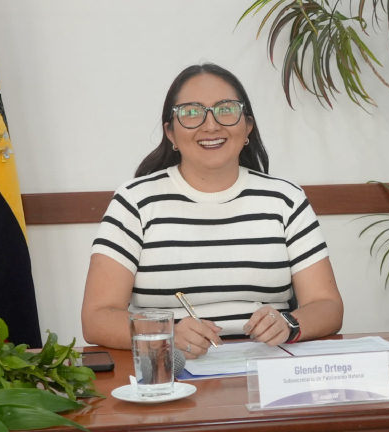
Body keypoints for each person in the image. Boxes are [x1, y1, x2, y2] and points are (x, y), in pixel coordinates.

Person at [81, 64, 343, 358]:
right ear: (170, 132)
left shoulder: (285, 200)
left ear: (248, 126)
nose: (211, 125)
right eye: (191, 112)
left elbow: (327, 306)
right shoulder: (134, 202)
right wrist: (165, 335)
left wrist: (290, 324)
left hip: (267, 367)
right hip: (171, 369)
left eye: (226, 110)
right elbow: (96, 317)